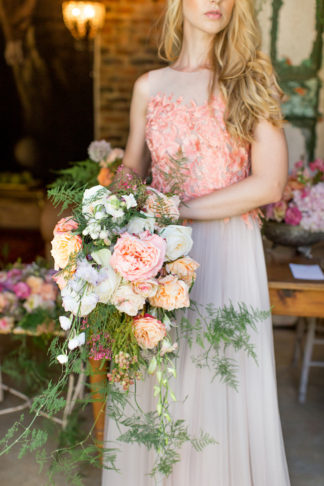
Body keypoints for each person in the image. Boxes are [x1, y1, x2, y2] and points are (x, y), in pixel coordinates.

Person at [102, 0, 291, 484]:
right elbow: (132, 171)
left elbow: (270, 184)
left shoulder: (251, 80)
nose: (217, 1)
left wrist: (178, 209)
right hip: (159, 256)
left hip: (227, 254)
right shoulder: (150, 86)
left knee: (218, 383)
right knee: (160, 384)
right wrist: (104, 225)